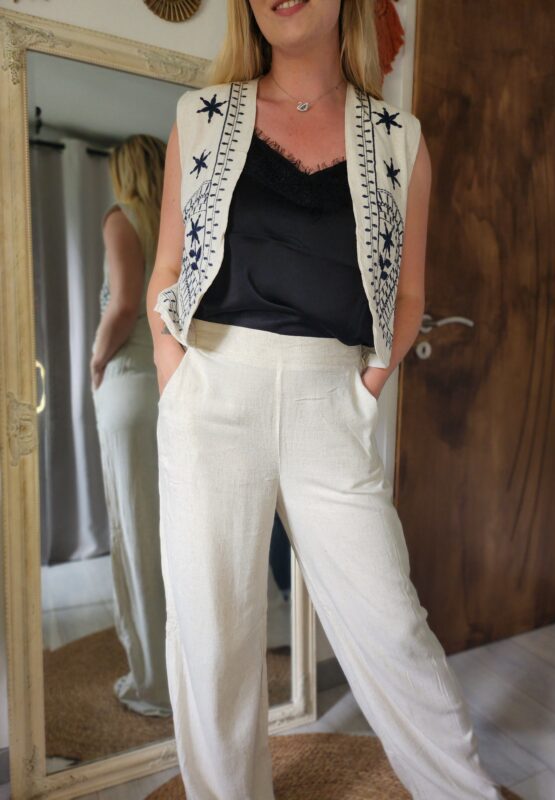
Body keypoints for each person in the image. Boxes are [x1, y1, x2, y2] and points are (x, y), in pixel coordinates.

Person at [146, 0, 505, 796]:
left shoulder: (399, 139)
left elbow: (409, 296)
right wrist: (177, 377)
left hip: (330, 399)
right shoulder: (201, 118)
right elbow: (166, 269)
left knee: (393, 630)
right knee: (211, 640)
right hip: (212, 391)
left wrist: (364, 388)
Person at [91, 134, 172, 717]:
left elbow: (122, 304)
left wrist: (97, 359)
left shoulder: (123, 218)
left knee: (137, 532)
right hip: (168, 388)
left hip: (129, 386)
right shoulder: (178, 226)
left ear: (124, 172)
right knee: (169, 535)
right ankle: (178, 670)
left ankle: (153, 682)